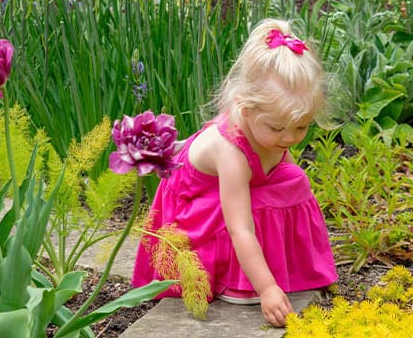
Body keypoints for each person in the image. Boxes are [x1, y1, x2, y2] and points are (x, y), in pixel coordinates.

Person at [131, 18, 338, 327]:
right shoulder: (231, 153)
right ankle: (242, 281)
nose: (291, 138)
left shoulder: (272, 128)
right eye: (279, 128)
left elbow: (284, 173)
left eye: (301, 127)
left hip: (228, 189)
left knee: (294, 182)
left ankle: (293, 265)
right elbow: (239, 227)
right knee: (252, 209)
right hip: (196, 207)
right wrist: (267, 289)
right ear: (245, 109)